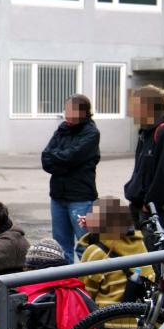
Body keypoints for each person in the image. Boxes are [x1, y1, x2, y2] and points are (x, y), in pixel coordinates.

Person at [41, 94, 101, 263]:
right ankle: (65, 286)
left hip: (80, 198)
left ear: (83, 112)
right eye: (66, 109)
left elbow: (72, 157)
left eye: (71, 110)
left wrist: (59, 160)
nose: (67, 113)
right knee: (60, 248)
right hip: (58, 196)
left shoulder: (91, 133)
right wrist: (62, 161)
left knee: (85, 247)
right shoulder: (62, 129)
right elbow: (46, 158)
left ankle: (88, 285)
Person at [124, 85, 164, 244]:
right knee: (138, 259)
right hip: (138, 205)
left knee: (151, 261)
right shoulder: (145, 132)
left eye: (135, 106)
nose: (132, 111)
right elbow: (140, 171)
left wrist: (149, 204)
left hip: (152, 210)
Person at [78, 197, 155, 308]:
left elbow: (85, 293)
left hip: (107, 318)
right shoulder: (140, 244)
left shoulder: (95, 252)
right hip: (140, 315)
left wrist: (94, 232)